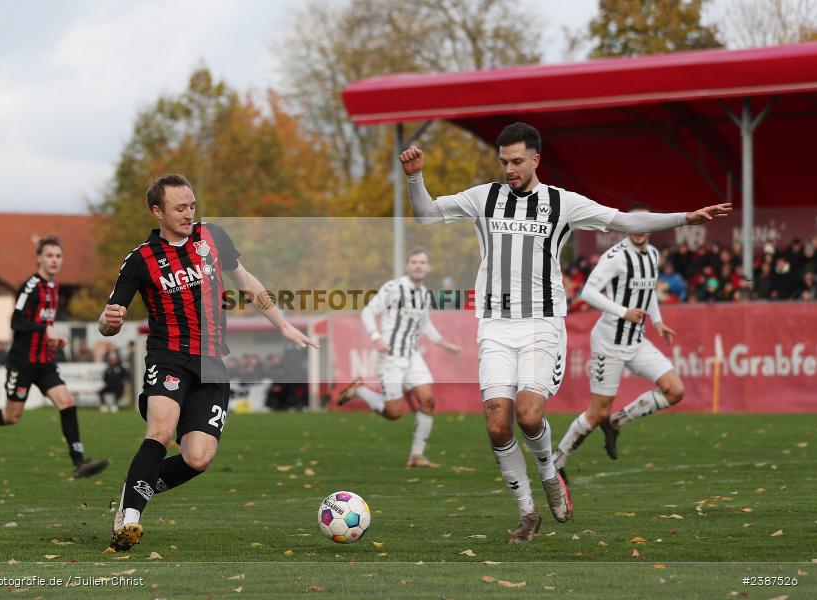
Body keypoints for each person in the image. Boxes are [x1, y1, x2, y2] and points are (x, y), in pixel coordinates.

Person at [399, 122, 730, 543]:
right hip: (495, 326)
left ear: (536, 159)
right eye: (504, 162)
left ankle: (549, 473)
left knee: (529, 414)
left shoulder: (563, 203)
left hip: (542, 325)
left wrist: (684, 218)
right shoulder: (484, 197)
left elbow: (624, 221)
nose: (509, 170)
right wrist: (415, 177)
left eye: (517, 161)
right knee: (498, 426)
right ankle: (527, 512)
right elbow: (426, 213)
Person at [99, 173, 317, 551]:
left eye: (192, 206)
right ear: (157, 211)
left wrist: (283, 325)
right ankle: (129, 518)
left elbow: (247, 282)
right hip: (168, 358)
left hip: (213, 362)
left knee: (197, 458)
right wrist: (108, 322)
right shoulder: (140, 260)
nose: (189, 213)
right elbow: (108, 320)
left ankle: (137, 484)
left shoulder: (213, 237)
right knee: (161, 432)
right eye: (180, 208)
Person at [0, 236, 109, 479]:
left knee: (67, 402)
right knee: (10, 417)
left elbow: (42, 324)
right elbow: (16, 321)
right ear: (38, 258)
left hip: (45, 361)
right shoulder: (31, 286)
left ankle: (78, 462)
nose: (54, 260)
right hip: (23, 362)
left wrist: (53, 339)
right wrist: (44, 330)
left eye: (58, 256)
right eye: (49, 256)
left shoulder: (54, 288)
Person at [553, 204, 685, 481]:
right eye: (632, 223)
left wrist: (657, 322)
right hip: (609, 342)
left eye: (644, 223)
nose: (638, 229)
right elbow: (587, 292)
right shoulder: (615, 256)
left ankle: (617, 421)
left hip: (636, 341)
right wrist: (623, 312)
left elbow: (648, 291)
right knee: (597, 412)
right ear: (625, 226)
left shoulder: (653, 255)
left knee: (675, 391)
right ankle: (557, 460)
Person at [337, 248, 462, 468]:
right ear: (407, 266)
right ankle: (360, 390)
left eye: (422, 262)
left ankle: (416, 456)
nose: (418, 266)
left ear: (428, 267)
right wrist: (376, 337)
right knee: (394, 413)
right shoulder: (393, 288)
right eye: (414, 262)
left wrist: (444, 344)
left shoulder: (424, 294)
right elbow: (367, 312)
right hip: (390, 357)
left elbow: (425, 325)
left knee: (428, 400)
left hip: (412, 355)